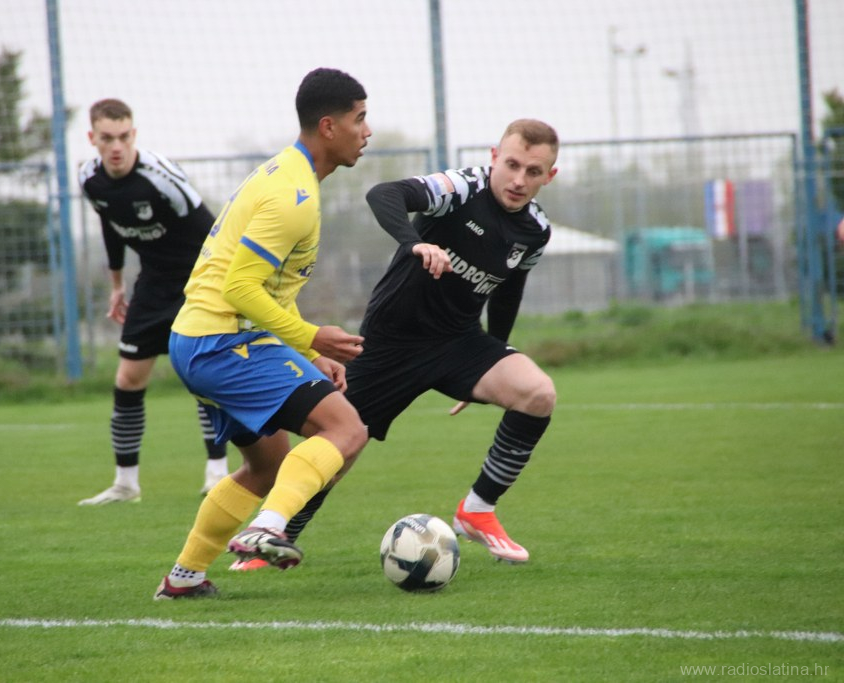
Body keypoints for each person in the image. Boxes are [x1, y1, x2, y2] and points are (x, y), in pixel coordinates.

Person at [264, 118, 559, 566]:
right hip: (390, 344)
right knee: (340, 446)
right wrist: (414, 243)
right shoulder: (462, 188)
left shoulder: (536, 230)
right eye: (513, 165)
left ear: (549, 176)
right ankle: (275, 538)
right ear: (494, 156)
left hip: (459, 343)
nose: (519, 180)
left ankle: (477, 511)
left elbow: (508, 291)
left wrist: (495, 353)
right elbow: (384, 194)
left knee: (538, 393)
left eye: (533, 171)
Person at [153, 67, 372, 599]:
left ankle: (184, 578)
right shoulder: (293, 196)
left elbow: (268, 290)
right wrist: (313, 337)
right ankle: (268, 528)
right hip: (224, 342)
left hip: (200, 340)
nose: (367, 131)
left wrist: (303, 351)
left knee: (268, 465)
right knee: (346, 430)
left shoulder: (287, 174)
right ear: (328, 126)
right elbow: (240, 288)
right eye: (359, 119)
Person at [77, 98, 229, 506]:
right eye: (107, 138)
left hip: (196, 281)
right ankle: (125, 485)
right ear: (92, 138)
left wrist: (220, 286)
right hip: (152, 284)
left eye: (123, 137)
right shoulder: (89, 179)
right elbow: (110, 225)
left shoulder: (161, 177)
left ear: (134, 135)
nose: (116, 146)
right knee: (128, 379)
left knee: (201, 376)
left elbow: (213, 230)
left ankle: (217, 473)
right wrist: (116, 285)